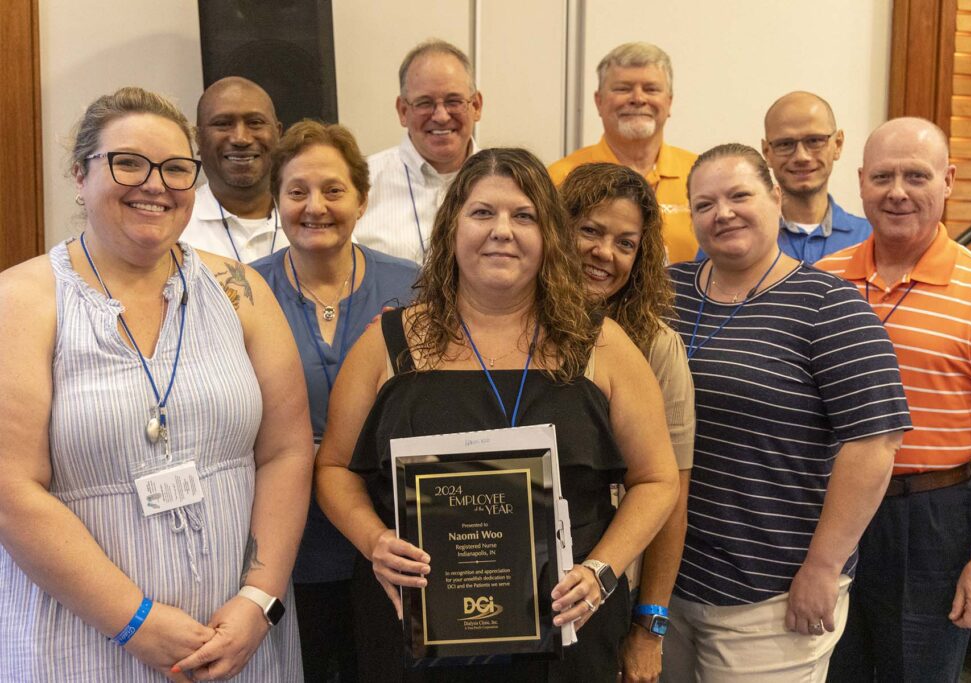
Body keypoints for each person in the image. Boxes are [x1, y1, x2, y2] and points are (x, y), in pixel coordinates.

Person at [316, 147, 680, 681]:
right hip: (416, 628)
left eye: (524, 215)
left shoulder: (602, 344)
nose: (502, 231)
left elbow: (657, 479)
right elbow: (333, 468)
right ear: (451, 228)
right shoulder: (387, 343)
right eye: (483, 212)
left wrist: (602, 570)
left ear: (549, 235)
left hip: (569, 628)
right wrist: (373, 540)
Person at [0, 86, 311, 681]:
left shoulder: (241, 292)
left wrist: (260, 600)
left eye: (175, 168)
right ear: (80, 175)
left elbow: (287, 452)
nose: (155, 185)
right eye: (128, 163)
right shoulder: (23, 300)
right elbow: (12, 491)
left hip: (237, 638)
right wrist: (133, 621)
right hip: (83, 639)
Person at [661, 143, 911, 682]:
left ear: (776, 197)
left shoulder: (830, 306)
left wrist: (823, 568)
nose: (722, 213)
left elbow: (875, 444)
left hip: (771, 596)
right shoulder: (667, 292)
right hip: (668, 582)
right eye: (704, 204)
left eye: (739, 196)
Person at [817, 118, 971, 683]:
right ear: (861, 181)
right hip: (830, 508)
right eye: (882, 176)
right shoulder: (821, 281)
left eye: (916, 176)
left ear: (948, 180)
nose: (897, 192)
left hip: (932, 518)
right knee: (828, 668)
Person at [252, 119, 419, 681]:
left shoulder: (413, 287)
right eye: (297, 191)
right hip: (287, 537)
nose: (315, 206)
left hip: (392, 534)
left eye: (333, 190)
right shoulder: (242, 292)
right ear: (276, 201)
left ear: (362, 200)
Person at [559, 162, 695, 682]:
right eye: (590, 231)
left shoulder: (656, 346)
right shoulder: (509, 325)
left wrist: (648, 628)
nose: (604, 253)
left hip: (609, 595)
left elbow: (670, 495)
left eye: (625, 244)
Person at [549, 42, 699, 263]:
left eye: (651, 89)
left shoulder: (700, 176)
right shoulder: (559, 179)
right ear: (599, 102)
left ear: (669, 102)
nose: (638, 99)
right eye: (622, 88)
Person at [353, 39, 483, 264]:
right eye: (425, 103)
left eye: (453, 101)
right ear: (403, 111)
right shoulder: (359, 184)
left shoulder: (509, 182)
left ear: (476, 106)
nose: (441, 116)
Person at [181, 77, 288, 263]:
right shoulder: (175, 226)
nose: (241, 139)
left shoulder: (311, 220)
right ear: (198, 138)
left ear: (278, 134)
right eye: (223, 123)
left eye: (255, 122)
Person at [762, 91, 870, 262]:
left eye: (814, 141)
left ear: (838, 144)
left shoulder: (872, 239)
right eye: (785, 144)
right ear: (767, 152)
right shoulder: (746, 241)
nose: (801, 157)